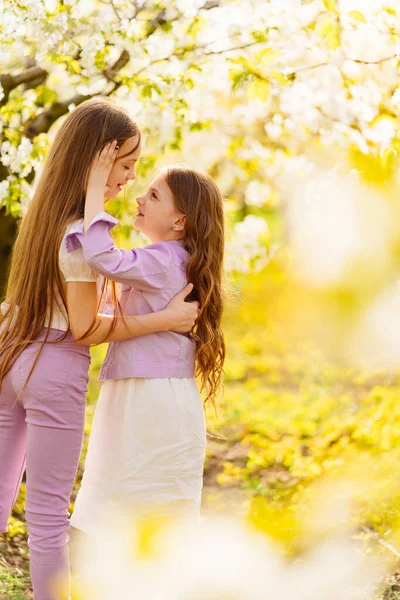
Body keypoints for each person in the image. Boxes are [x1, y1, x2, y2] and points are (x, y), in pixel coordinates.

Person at [0, 99, 198, 600]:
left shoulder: (45, 213)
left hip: (11, 355)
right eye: (126, 165)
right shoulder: (81, 234)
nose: (129, 179)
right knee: (47, 517)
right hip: (54, 368)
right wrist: (166, 319)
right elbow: (84, 327)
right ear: (99, 161)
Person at [66, 141, 225, 532]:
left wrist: (93, 194)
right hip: (156, 392)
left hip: (148, 395)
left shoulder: (164, 259)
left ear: (179, 222)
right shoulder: (172, 259)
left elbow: (104, 259)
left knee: (133, 490)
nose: (139, 197)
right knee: (149, 493)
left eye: (153, 195)